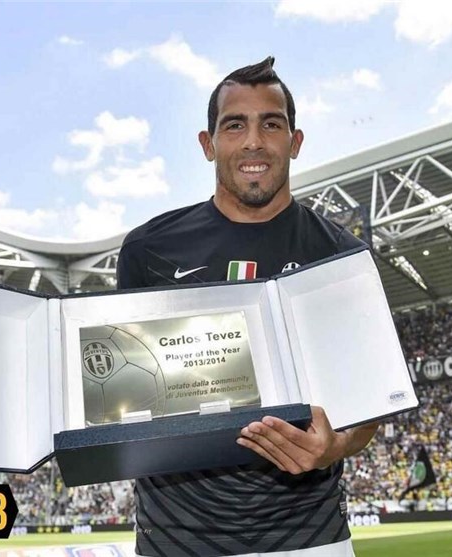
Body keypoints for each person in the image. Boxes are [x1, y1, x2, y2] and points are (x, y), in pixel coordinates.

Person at [116, 57, 380, 557]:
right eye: (235, 125)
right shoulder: (148, 249)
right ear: (208, 144)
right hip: (176, 539)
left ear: (295, 142)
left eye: (271, 124)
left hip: (309, 535)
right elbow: (125, 389)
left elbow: (370, 403)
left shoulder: (344, 256)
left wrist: (337, 446)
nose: (254, 141)